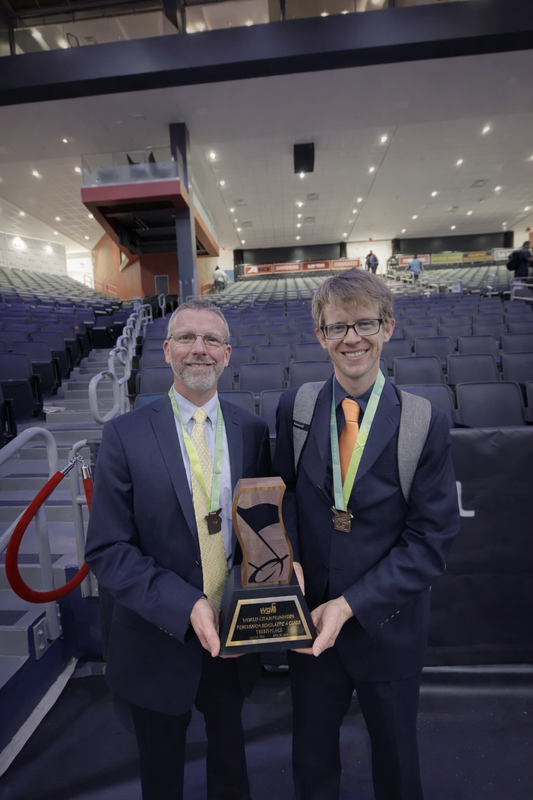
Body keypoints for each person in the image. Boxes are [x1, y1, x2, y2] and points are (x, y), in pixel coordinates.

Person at [273, 269, 460, 800]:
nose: (352, 337)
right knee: (311, 764)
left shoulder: (424, 421)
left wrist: (350, 605)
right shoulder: (297, 410)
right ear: (320, 336)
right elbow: (278, 497)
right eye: (337, 327)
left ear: (388, 327)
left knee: (398, 767)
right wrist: (288, 560)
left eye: (364, 324)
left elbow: (430, 540)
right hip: (309, 624)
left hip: (389, 628)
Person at [85, 299, 270, 800]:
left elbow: (264, 525)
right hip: (157, 633)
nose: (199, 349)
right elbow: (107, 549)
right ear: (166, 351)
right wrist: (184, 605)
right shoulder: (124, 435)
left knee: (232, 763)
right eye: (187, 338)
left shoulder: (251, 431)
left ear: (227, 354)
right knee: (161, 775)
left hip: (231, 635)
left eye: (211, 340)